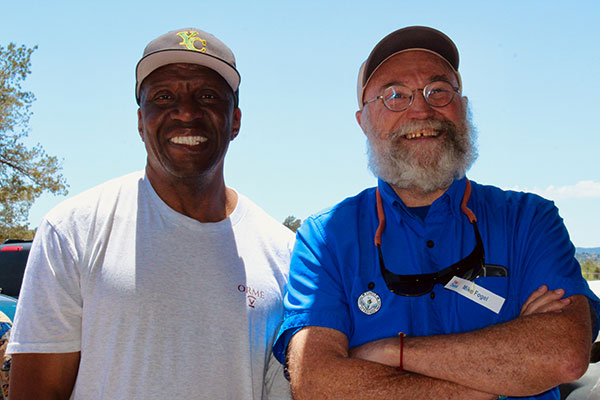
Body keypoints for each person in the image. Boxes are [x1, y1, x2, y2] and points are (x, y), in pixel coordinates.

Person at [273, 26, 600, 400]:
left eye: (438, 91)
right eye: (395, 95)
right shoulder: (325, 239)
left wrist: (388, 354)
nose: (421, 109)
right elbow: (317, 384)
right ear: (363, 121)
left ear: (463, 107)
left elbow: (561, 355)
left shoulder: (529, 220)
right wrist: (491, 380)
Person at [7, 28, 294, 400]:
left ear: (235, 120)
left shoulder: (283, 252)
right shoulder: (73, 230)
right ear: (141, 120)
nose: (187, 111)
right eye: (163, 96)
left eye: (207, 95)